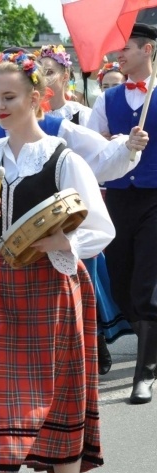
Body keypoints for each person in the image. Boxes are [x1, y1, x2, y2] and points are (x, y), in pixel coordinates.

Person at [0, 51, 115, 473]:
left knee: (59, 391)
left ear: (37, 99)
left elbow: (100, 228)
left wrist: (64, 240)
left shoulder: (64, 158)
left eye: (9, 97)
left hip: (51, 285)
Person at [37, 45, 134, 375]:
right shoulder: (27, 120)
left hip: (75, 207)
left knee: (86, 278)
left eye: (50, 71)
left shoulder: (77, 119)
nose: (44, 79)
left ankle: (94, 341)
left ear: (65, 76)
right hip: (40, 210)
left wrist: (123, 148)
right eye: (39, 72)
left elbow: (99, 159)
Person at [88, 22, 157, 404]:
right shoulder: (108, 98)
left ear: (147, 51)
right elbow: (93, 148)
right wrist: (119, 143)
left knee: (146, 286)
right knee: (120, 281)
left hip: (156, 197)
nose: (118, 55)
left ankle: (143, 374)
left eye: (126, 48)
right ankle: (151, 341)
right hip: (117, 198)